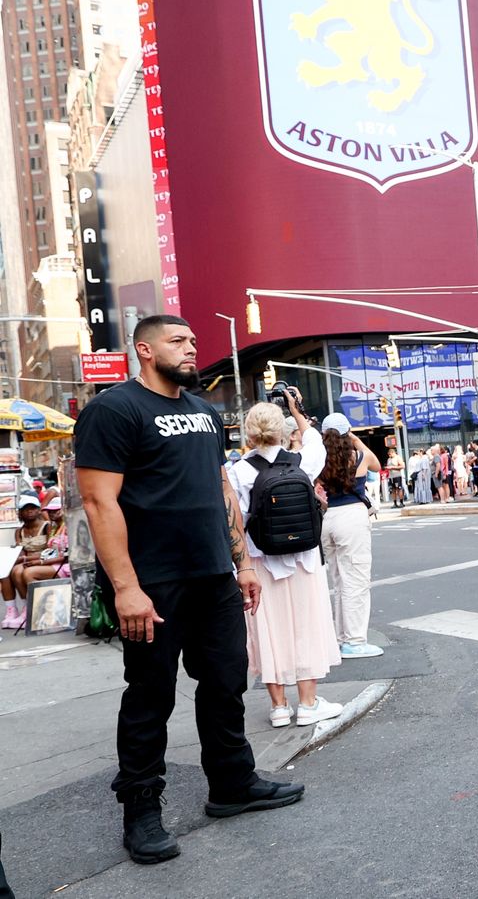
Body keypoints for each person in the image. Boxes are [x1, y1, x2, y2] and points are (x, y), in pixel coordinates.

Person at [74, 315, 303, 865]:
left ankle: (231, 784)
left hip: (213, 576)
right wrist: (126, 588)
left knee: (225, 682)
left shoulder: (202, 412)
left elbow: (220, 487)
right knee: (150, 696)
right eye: (179, 341)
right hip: (152, 582)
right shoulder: (114, 409)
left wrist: (242, 562)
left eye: (193, 340)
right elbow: (100, 503)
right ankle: (141, 809)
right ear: (145, 350)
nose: (191, 348)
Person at [229, 396, 344, 728]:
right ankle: (308, 703)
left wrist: (240, 565)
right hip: (304, 560)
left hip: (261, 561)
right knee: (306, 628)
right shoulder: (301, 461)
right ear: (281, 430)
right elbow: (315, 439)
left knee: (269, 630)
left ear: (248, 434)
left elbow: (237, 519)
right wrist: (297, 410)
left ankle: (279, 706)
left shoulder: (239, 471)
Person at [320, 414, 383, 659]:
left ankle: (340, 637)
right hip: (352, 519)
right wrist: (356, 440)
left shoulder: (320, 460)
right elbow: (377, 465)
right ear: (348, 433)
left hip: (328, 519)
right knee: (356, 581)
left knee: (339, 581)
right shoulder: (360, 456)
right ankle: (355, 641)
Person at [2, 496, 53, 628]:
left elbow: (50, 550)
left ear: (38, 510)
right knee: (8, 572)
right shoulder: (19, 531)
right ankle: (16, 609)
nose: (29, 511)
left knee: (19, 572)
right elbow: (21, 550)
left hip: (43, 560)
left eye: (33, 508)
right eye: (25, 509)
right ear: (20, 512)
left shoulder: (47, 526)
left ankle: (30, 607)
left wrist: (28, 559)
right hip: (26, 560)